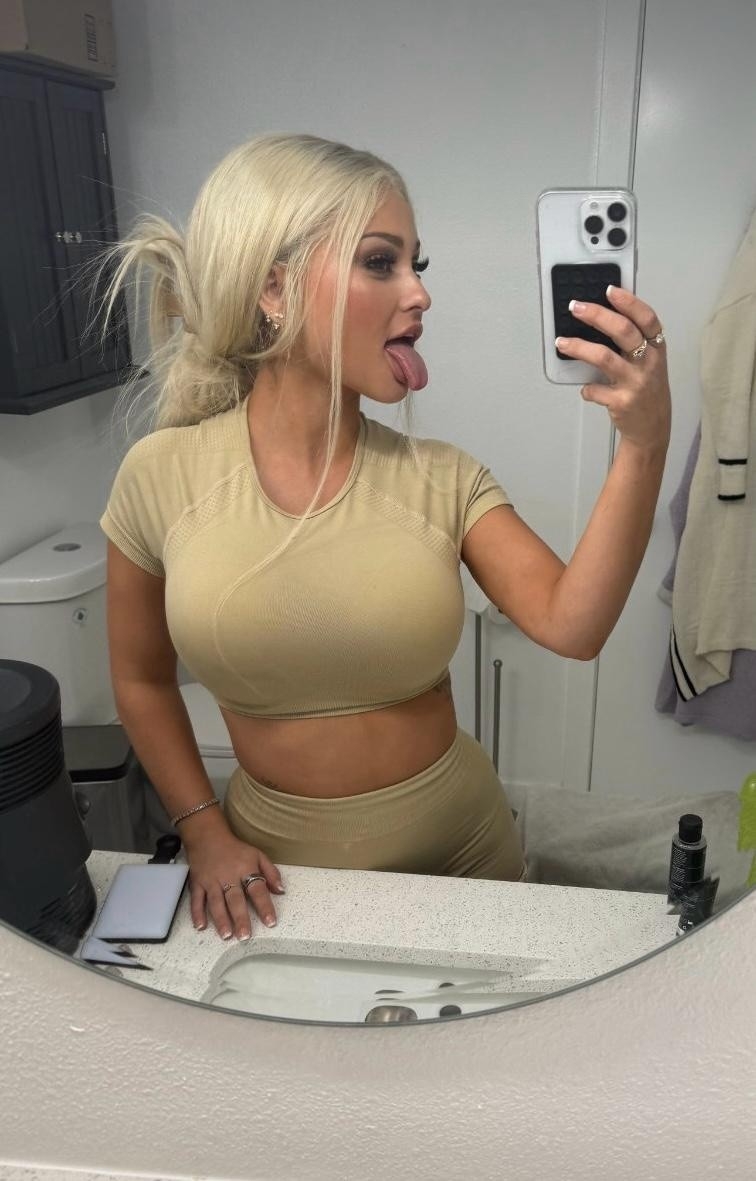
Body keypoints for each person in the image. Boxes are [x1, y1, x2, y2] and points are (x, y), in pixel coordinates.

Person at [98, 133, 671, 943]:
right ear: (274, 287)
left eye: (416, 264)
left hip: (467, 856)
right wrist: (203, 830)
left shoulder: (444, 478)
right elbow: (141, 680)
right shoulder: (160, 476)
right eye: (381, 262)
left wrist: (644, 443)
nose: (420, 293)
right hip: (274, 882)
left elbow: (573, 625)